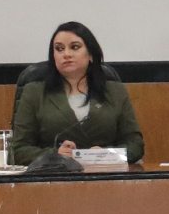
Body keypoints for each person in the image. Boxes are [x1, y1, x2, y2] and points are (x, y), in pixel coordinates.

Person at [11, 21, 143, 165]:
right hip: (55, 174)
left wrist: (107, 154)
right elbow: (18, 150)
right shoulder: (34, 92)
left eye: (75, 47)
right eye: (59, 49)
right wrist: (54, 155)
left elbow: (135, 145)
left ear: (90, 54)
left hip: (104, 173)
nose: (66, 54)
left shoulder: (114, 91)